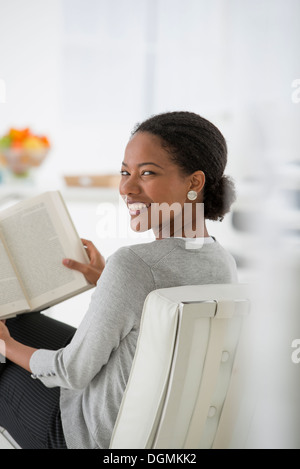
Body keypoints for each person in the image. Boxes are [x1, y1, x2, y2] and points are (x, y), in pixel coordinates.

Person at [0, 111, 237, 449]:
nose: (126, 188)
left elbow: (73, 372)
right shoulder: (221, 261)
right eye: (125, 172)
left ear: (194, 183)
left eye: (147, 173)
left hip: (82, 435)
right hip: (145, 422)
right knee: (19, 320)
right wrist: (104, 278)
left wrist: (7, 346)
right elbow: (156, 309)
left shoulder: (134, 265)